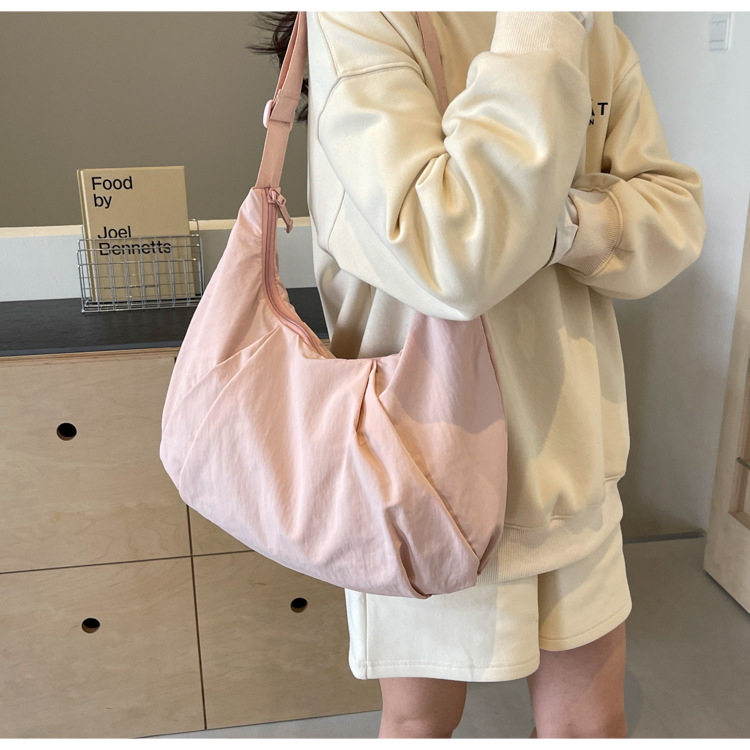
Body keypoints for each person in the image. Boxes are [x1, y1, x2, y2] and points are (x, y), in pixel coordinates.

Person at [250, 11, 706, 739]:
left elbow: (675, 214)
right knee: (421, 725)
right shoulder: (365, 15)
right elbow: (458, 257)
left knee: (591, 725)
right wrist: (539, 26)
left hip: (573, 474)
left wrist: (560, 224)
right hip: (421, 474)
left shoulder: (589, 26)